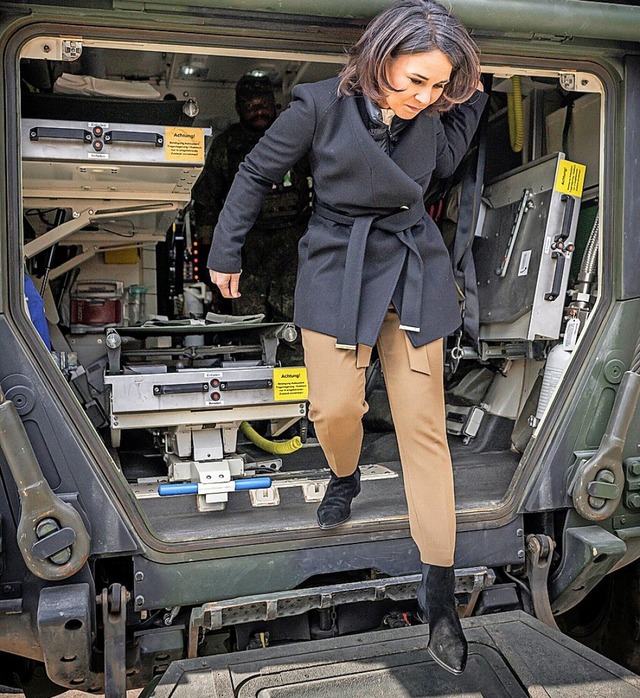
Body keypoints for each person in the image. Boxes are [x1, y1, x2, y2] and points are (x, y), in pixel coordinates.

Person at [207, 0, 488, 675]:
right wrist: (226, 252)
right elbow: (252, 174)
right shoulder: (313, 105)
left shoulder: (440, 109)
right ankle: (345, 472)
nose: (426, 97)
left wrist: (471, 97)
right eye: (415, 80)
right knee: (334, 411)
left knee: (424, 429)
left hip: (412, 266)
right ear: (381, 55)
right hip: (340, 261)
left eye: (438, 84)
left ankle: (439, 592)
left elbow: (447, 157)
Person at [193, 74, 311, 323]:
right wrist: (211, 253)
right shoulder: (226, 145)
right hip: (247, 244)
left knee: (295, 316)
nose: (258, 111)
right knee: (248, 318)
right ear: (238, 109)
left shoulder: (296, 135)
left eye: (263, 104)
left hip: (294, 241)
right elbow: (207, 200)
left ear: (274, 104)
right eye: (251, 106)